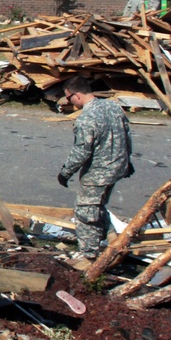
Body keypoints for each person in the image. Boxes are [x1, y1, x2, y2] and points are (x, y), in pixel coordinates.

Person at [56, 76, 134, 260]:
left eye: (68, 98)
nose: (69, 102)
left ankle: (89, 255)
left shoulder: (86, 119)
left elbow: (81, 152)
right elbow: (127, 136)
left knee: (85, 212)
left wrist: (65, 173)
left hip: (98, 173)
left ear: (76, 95)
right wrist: (127, 161)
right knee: (98, 206)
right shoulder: (113, 107)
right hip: (117, 166)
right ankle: (112, 239)